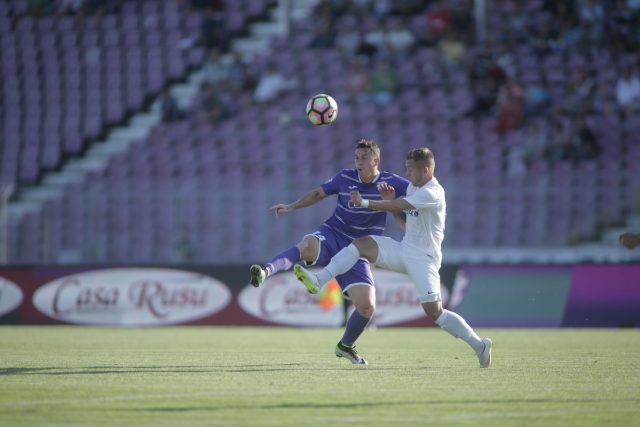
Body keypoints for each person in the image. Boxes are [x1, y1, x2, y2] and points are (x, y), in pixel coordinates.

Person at [294, 148, 493, 368]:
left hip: (424, 259)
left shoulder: (433, 192)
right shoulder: (413, 187)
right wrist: (390, 202)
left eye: (410, 169)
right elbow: (403, 222)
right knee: (361, 244)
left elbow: (400, 205)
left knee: (435, 312)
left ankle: (478, 345)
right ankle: (319, 279)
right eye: (406, 168)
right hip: (404, 250)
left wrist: (367, 203)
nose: (406, 174)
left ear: (425, 170)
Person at [249, 139, 409, 365]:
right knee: (308, 246)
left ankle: (345, 346)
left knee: (367, 307)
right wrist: (291, 206)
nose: (358, 162)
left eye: (363, 158)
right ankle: (266, 270)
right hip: (334, 234)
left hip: (361, 248)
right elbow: (317, 194)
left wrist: (394, 204)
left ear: (376, 160)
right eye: (356, 158)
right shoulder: (345, 177)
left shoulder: (392, 183)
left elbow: (408, 214)